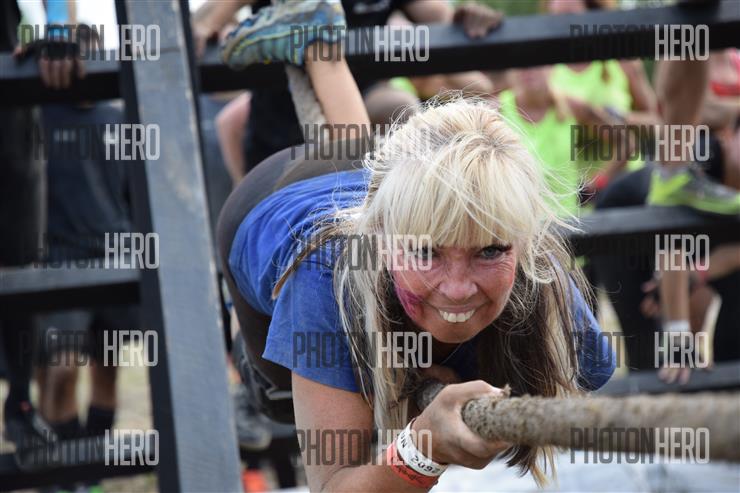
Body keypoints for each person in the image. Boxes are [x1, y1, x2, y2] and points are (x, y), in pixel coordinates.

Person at [218, 93, 615, 489]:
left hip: (392, 175)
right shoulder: (323, 275)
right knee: (279, 393)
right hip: (270, 195)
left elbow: (588, 379)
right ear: (380, 240)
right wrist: (424, 447)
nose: (457, 289)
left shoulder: (542, 278)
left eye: (490, 250)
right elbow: (332, 486)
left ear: (525, 243)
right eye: (426, 252)